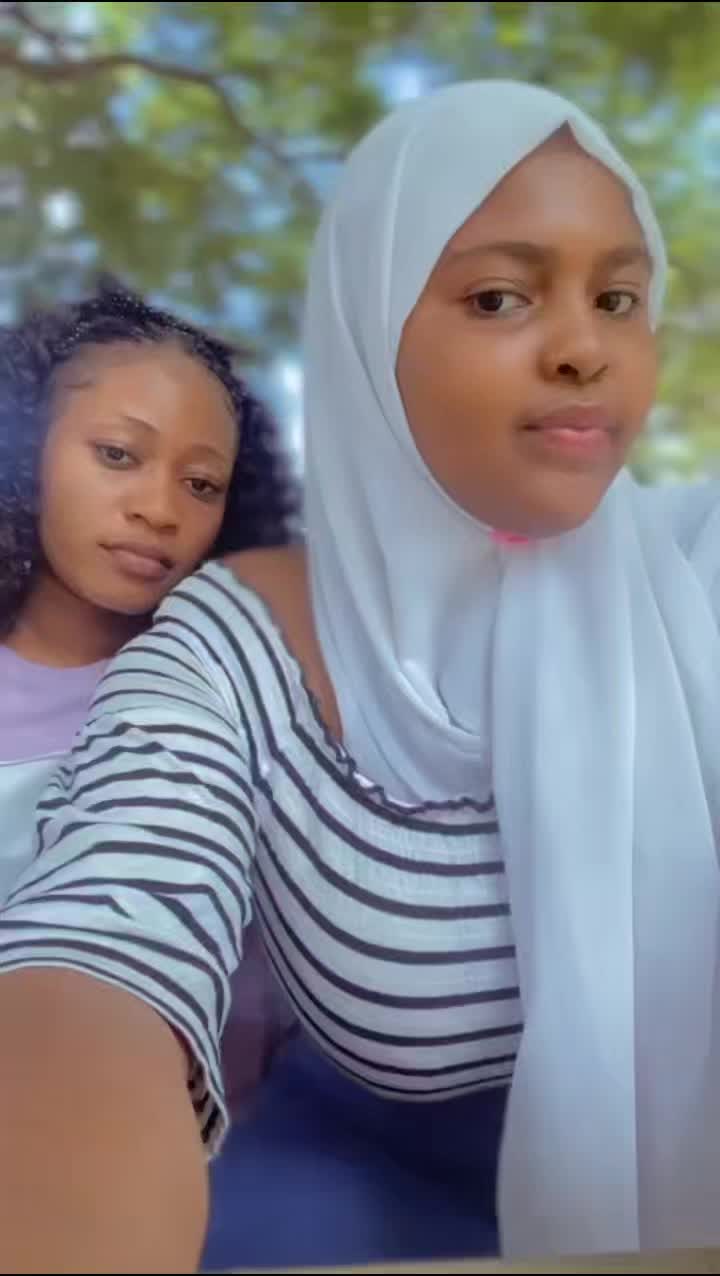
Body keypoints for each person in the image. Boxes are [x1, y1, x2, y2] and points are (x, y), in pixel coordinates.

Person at [1, 79, 720, 1273]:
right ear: (368, 326)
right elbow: (107, 929)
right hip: (357, 1204)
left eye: (618, 298)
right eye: (500, 296)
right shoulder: (236, 644)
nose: (585, 348)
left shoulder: (691, 576)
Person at [0, 280, 298, 903]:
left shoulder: (231, 702)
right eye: (118, 454)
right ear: (24, 449)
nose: (160, 511)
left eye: (201, 484)